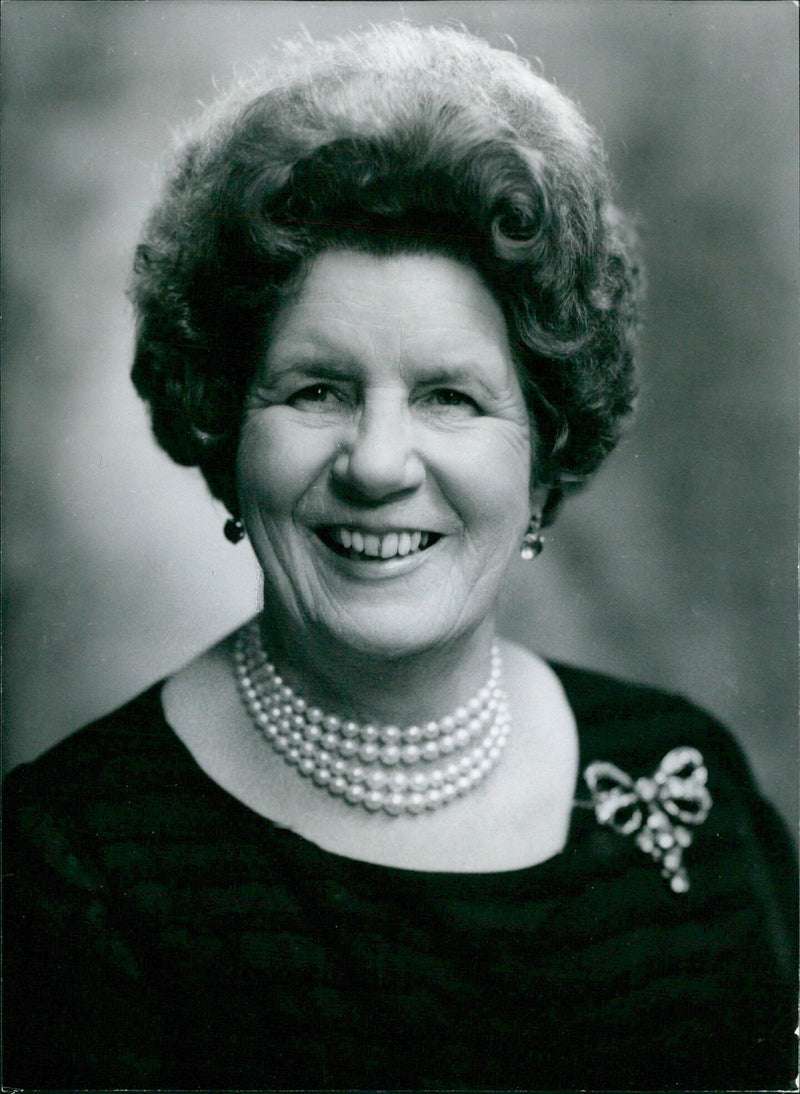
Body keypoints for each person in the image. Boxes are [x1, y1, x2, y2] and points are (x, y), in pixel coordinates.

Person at [3, 23, 795, 1091]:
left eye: (448, 396)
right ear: (227, 426)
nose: (377, 463)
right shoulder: (71, 869)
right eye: (316, 388)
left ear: (545, 445)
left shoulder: (683, 781)